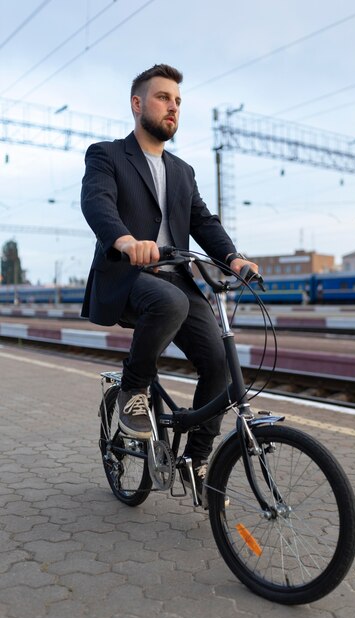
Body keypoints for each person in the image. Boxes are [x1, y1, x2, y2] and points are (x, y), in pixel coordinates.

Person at [81, 64, 258, 499]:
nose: (173, 107)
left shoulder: (183, 171)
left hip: (176, 280)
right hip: (128, 276)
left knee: (219, 362)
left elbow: (203, 221)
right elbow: (97, 202)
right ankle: (132, 392)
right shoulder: (106, 155)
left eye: (178, 101)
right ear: (137, 103)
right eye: (163, 98)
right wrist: (125, 240)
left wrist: (233, 258)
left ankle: (197, 459)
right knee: (169, 304)